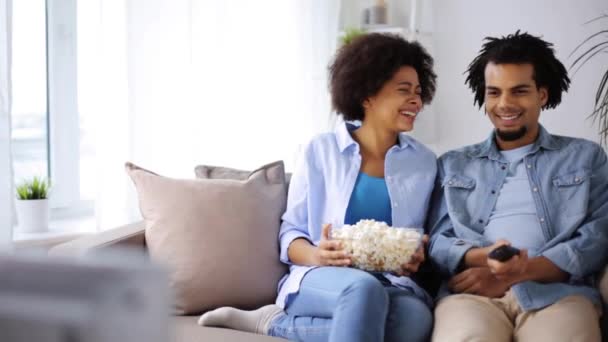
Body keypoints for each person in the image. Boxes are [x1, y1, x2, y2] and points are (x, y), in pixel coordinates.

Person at [199, 33, 438, 342]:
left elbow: (426, 237)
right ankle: (281, 315)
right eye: (403, 91)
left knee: (414, 321)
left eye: (419, 92)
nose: (416, 101)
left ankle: (274, 323)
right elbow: (291, 233)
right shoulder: (320, 151)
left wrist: (416, 255)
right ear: (368, 95)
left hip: (392, 282)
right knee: (363, 289)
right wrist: (317, 255)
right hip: (320, 278)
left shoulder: (425, 163)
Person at [428, 31, 608, 341]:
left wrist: (519, 272)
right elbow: (437, 242)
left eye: (519, 91)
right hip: (473, 294)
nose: (505, 104)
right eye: (494, 92)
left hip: (557, 294)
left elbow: (596, 238)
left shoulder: (584, 156)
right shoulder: (453, 163)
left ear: (543, 94)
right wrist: (486, 258)